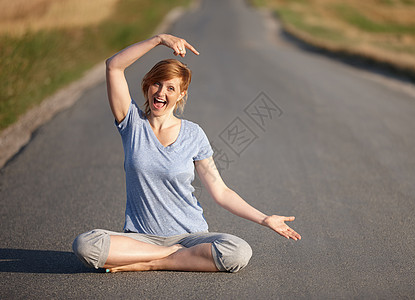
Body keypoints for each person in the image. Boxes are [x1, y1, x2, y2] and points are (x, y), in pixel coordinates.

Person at [72, 34, 301, 273]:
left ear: (181, 95)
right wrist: (159, 40)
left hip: (190, 237)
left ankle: (149, 263)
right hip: (141, 239)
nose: (161, 92)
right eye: (157, 83)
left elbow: (220, 191)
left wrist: (265, 219)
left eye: (171, 88)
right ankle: (166, 255)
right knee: (86, 245)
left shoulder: (193, 134)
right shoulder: (132, 124)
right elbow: (114, 66)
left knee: (237, 251)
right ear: (148, 85)